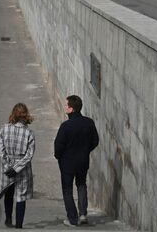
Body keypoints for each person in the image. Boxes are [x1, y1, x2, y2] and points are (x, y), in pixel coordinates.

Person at [54, 95, 99, 227]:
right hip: (83, 161)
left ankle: (73, 219)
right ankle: (83, 213)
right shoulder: (89, 123)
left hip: (67, 163)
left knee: (67, 189)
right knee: (81, 184)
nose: (65, 107)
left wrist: (59, 157)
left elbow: (58, 147)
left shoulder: (66, 126)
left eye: (67, 105)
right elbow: (95, 141)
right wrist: (85, 151)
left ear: (72, 109)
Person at [0, 103, 36, 229]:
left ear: (13, 113)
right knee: (21, 196)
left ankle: (8, 218)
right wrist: (17, 168)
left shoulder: (4, 129)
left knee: (8, 193)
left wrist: (8, 166)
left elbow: (1, 150)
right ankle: (19, 226)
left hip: (7, 167)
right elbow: (29, 155)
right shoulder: (29, 133)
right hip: (23, 169)